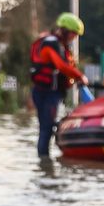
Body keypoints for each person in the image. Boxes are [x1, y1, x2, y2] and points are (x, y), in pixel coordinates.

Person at [30, 13, 88, 157]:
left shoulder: (60, 45)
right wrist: (80, 76)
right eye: (73, 34)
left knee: (46, 127)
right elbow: (61, 66)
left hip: (50, 92)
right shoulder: (51, 43)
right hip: (46, 92)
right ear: (65, 31)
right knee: (46, 128)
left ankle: (45, 162)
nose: (73, 38)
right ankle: (44, 162)